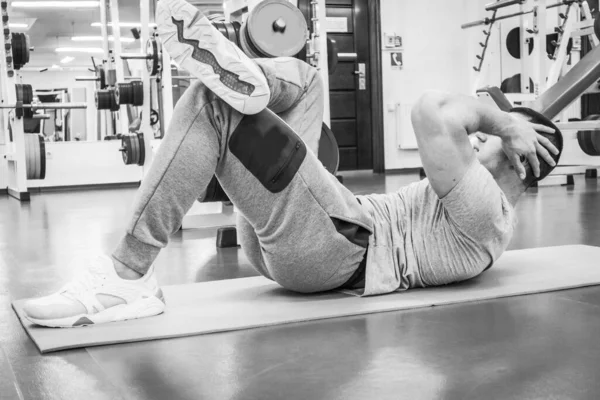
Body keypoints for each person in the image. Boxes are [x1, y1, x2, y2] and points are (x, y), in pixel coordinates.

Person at [22, 0, 561, 328]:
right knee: (306, 82)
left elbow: (432, 111)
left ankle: (127, 274)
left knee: (213, 104)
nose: (483, 133)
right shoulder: (480, 210)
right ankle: (256, 84)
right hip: (325, 231)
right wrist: (506, 123)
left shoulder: (486, 211)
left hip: (336, 252)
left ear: (518, 155)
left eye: (497, 133)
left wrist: (506, 122)